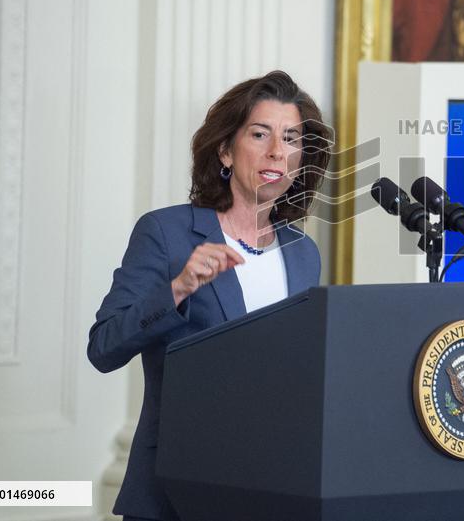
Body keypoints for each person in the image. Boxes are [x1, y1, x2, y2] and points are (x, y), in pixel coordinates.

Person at [86, 70, 332, 521]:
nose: (278, 150)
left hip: (274, 488)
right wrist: (177, 289)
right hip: (176, 492)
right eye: (260, 134)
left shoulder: (304, 253)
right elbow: (103, 347)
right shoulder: (166, 232)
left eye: (292, 138)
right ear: (224, 149)